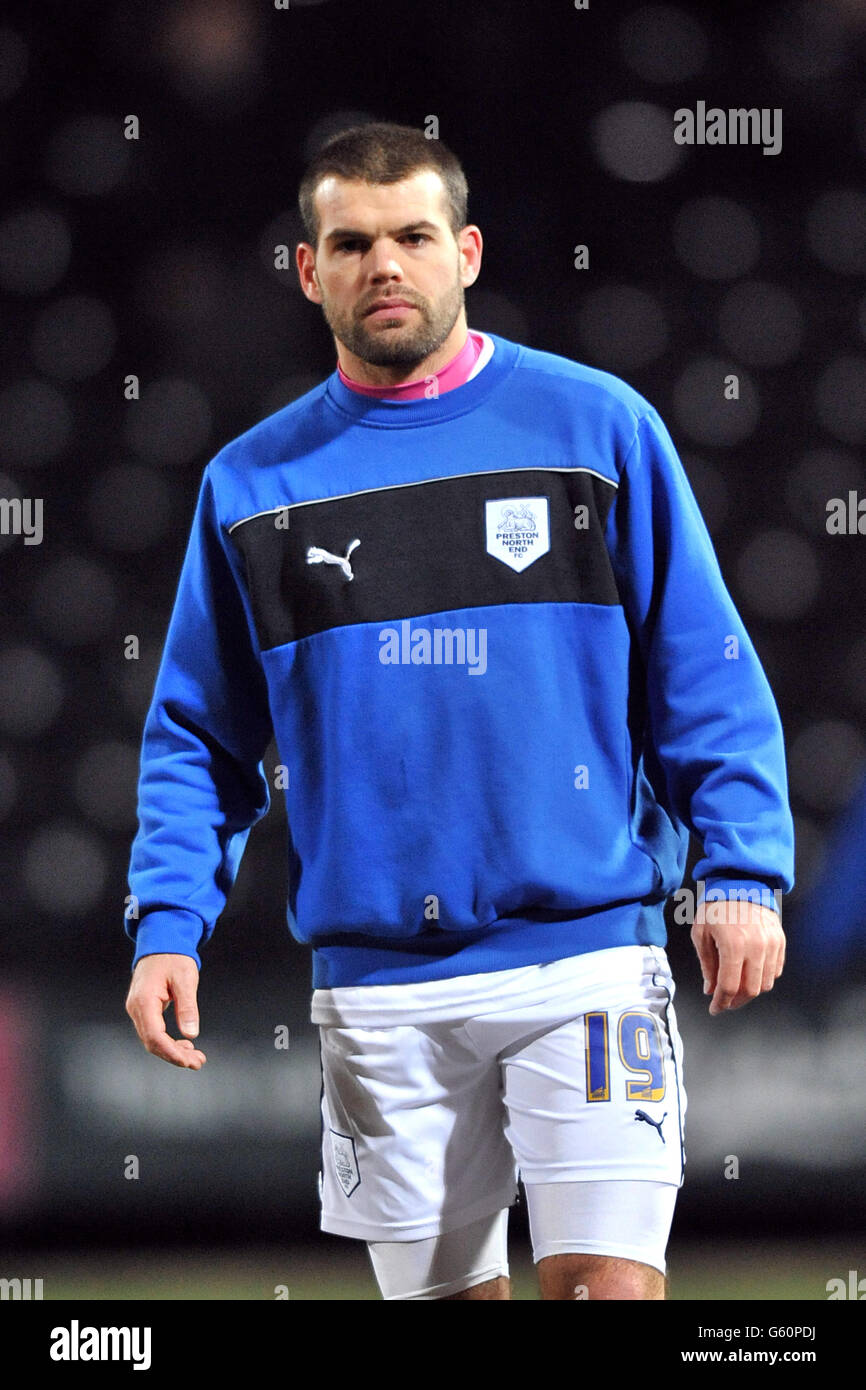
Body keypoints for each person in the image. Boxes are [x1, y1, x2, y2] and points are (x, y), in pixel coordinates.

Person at [124, 121, 793, 1301]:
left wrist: (740, 869)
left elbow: (704, 665)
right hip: (379, 987)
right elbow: (199, 731)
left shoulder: (598, 429)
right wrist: (168, 920)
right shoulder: (251, 484)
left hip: (584, 955)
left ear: (466, 250)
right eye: (351, 242)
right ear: (309, 269)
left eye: (412, 237)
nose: (385, 264)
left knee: (607, 1290)